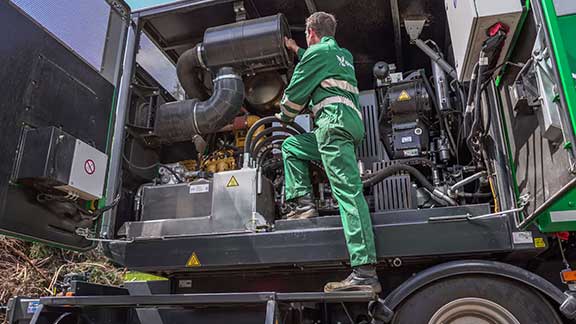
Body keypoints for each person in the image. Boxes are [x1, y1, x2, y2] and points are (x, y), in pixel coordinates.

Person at [276, 12, 381, 293]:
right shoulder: (341, 54)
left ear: (311, 33)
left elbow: (290, 106)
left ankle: (364, 270)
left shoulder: (315, 54)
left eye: (306, 39)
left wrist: (283, 111)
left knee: (348, 192)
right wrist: (295, 50)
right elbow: (317, 61)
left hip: (332, 127)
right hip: (350, 125)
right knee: (292, 146)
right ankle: (303, 204)